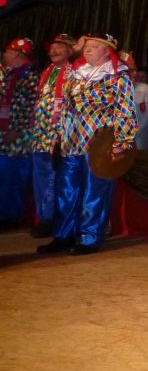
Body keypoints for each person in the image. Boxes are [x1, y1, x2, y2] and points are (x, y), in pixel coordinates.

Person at [37, 34, 138, 255]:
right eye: (87, 46)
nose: (88, 49)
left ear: (107, 51)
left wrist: (123, 142)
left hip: (98, 146)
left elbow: (126, 111)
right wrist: (57, 136)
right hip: (71, 143)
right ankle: (63, 235)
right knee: (65, 191)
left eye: (95, 46)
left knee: (94, 193)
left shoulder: (118, 77)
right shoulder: (76, 74)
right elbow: (64, 109)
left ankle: (88, 238)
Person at [28, 34, 76, 237]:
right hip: (40, 132)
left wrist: (60, 133)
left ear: (70, 51)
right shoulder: (47, 72)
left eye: (59, 47)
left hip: (58, 134)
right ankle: (44, 217)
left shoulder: (74, 73)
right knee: (41, 176)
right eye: (52, 47)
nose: (53, 51)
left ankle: (53, 218)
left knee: (54, 176)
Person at [0, 38, 40, 228]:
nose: (4, 54)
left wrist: (16, 129)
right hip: (5, 129)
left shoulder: (30, 76)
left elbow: (30, 105)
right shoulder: (10, 74)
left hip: (19, 133)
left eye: (8, 51)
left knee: (13, 175)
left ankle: (11, 217)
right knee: (5, 174)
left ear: (16, 53)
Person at [122, 52, 148, 150]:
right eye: (131, 70)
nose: (135, 73)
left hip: (138, 137)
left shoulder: (144, 88)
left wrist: (135, 131)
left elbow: (147, 115)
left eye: (135, 70)